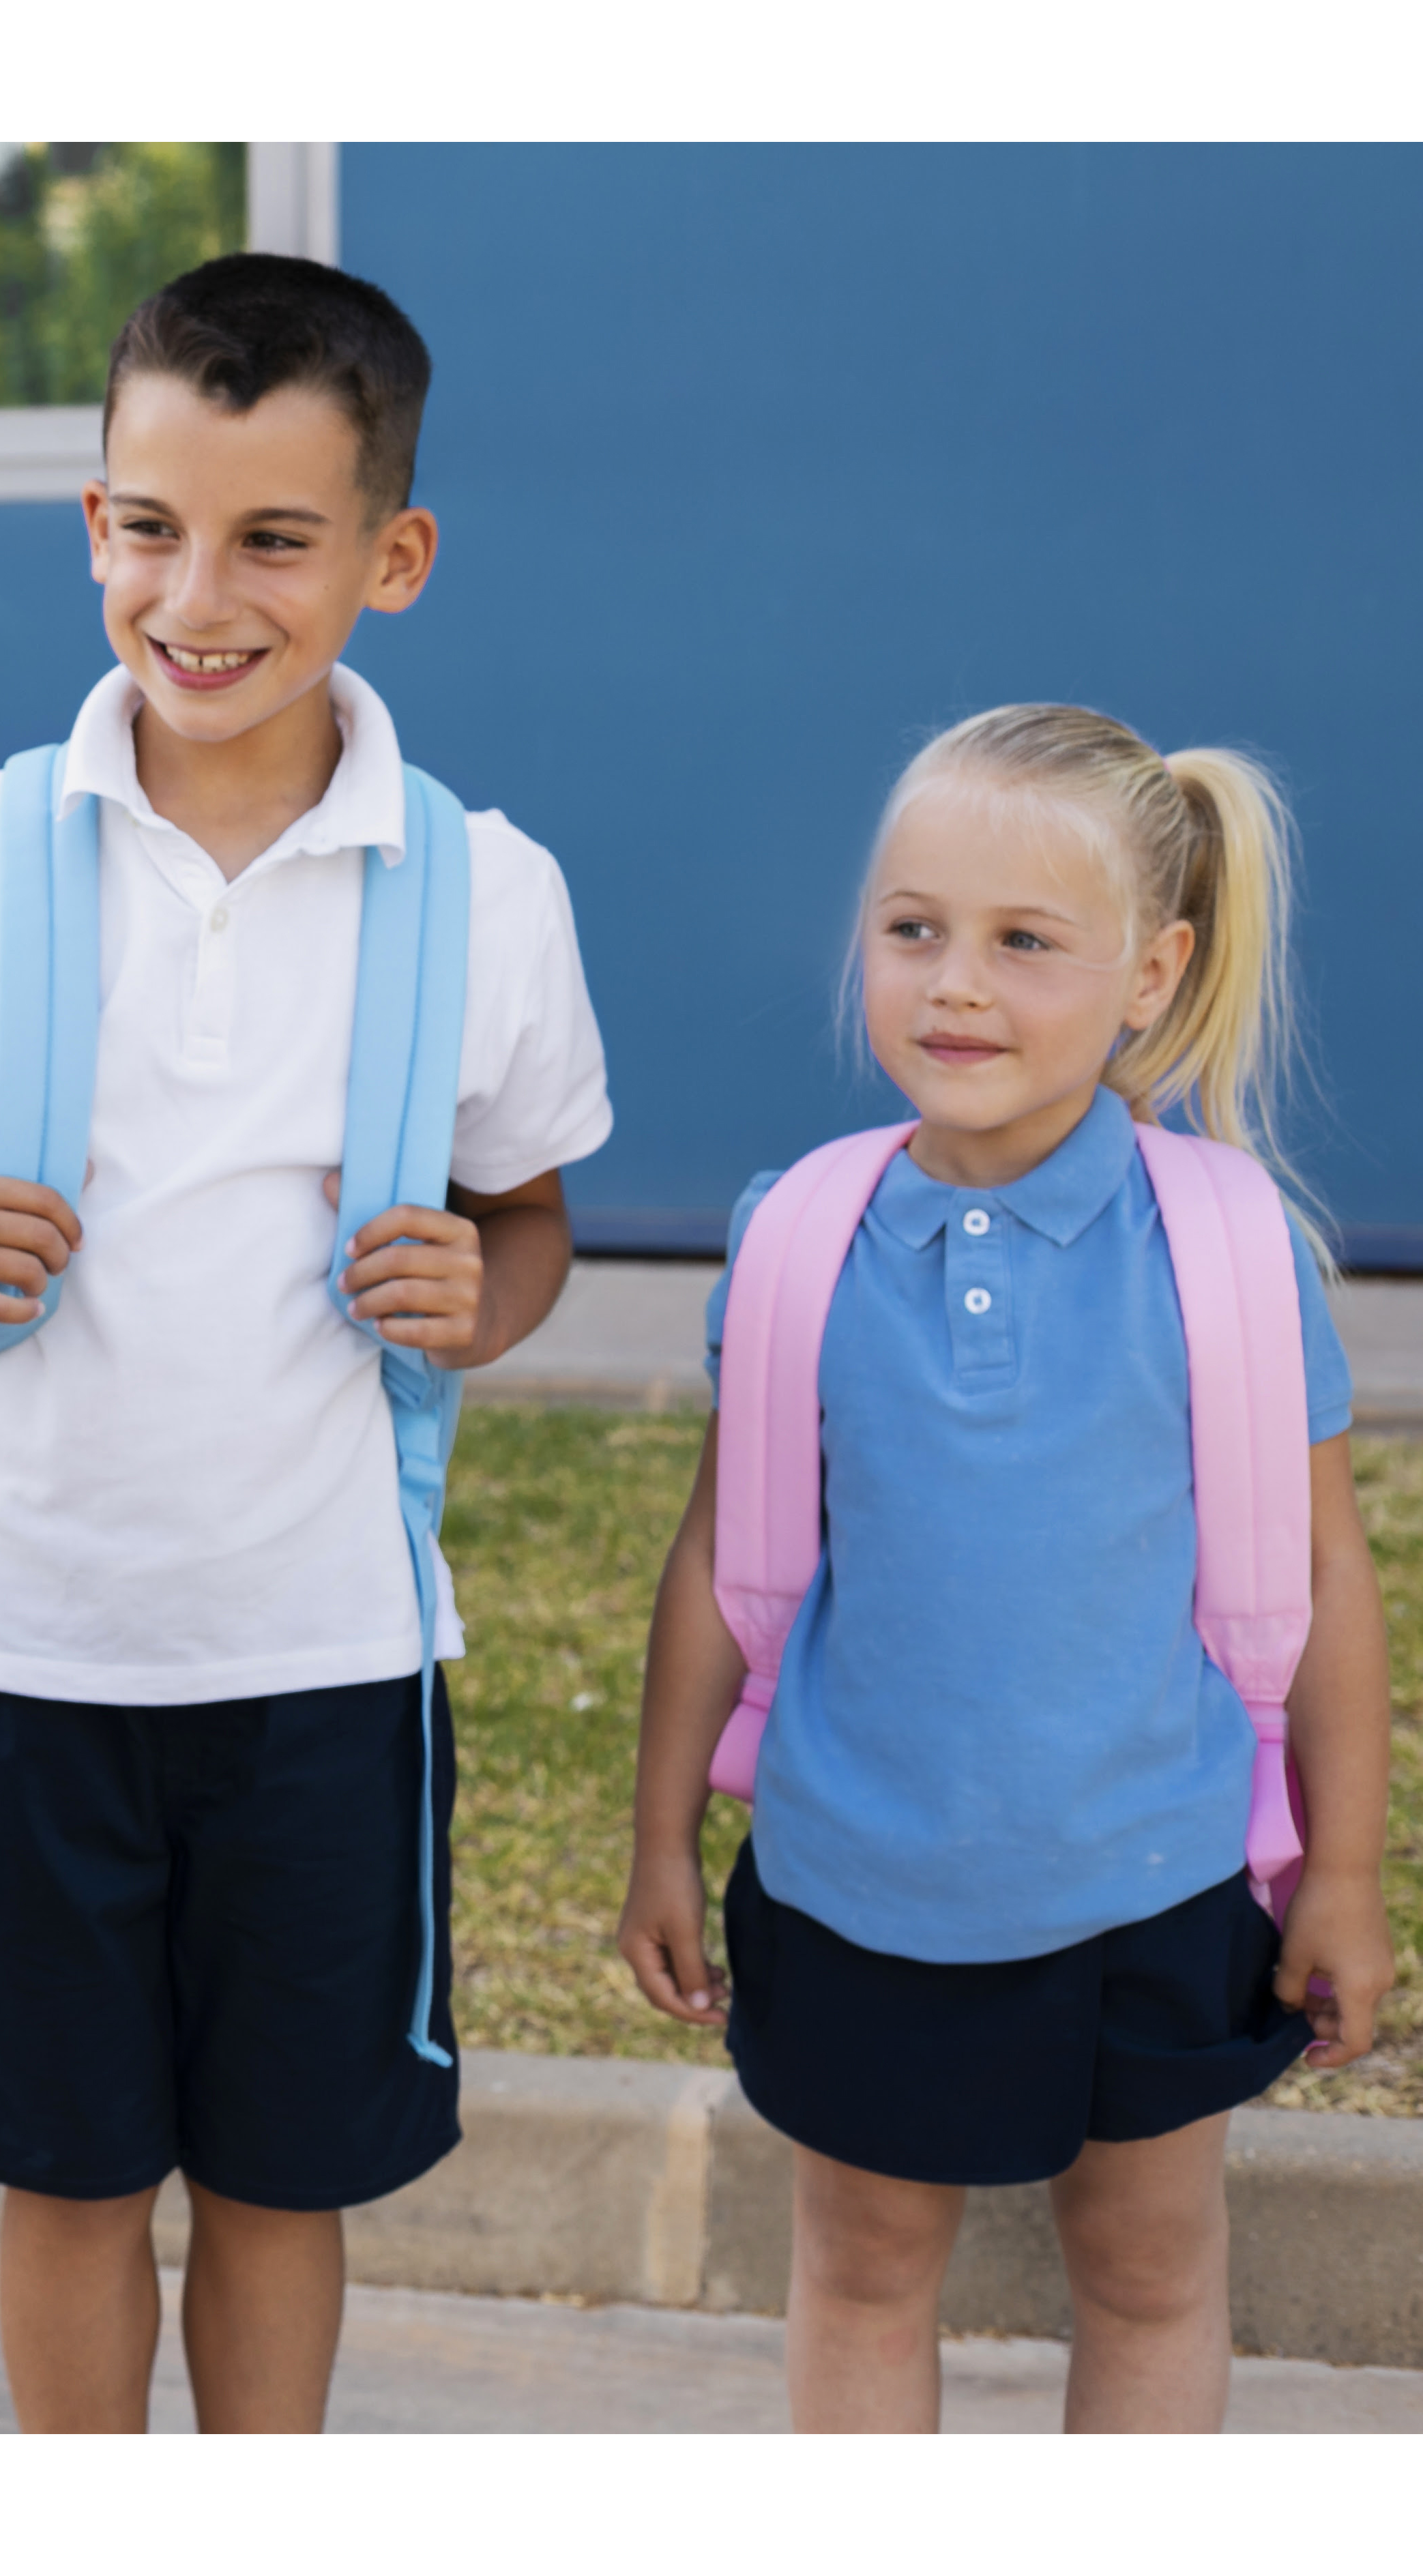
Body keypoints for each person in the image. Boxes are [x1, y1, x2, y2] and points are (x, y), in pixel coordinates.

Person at [0, 253, 613, 2433]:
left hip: (325, 1666)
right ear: (93, 524)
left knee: (280, 2182)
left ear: (395, 560)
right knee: (65, 2185)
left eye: (274, 541)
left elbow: (528, 1218)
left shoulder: (486, 889)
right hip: (8, 1652)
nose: (198, 596)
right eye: (151, 528)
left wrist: (487, 1295)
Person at [618, 703, 1395, 2433]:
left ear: (1150, 974)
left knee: (1149, 2272)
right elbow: (718, 1558)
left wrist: (1342, 1869)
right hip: (854, 1884)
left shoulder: (1229, 1247)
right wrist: (662, 1833)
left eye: (1025, 942)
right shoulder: (798, 1232)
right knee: (865, 2270)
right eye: (914, 929)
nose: (954, 984)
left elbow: (1329, 1580)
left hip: (1158, 1882)